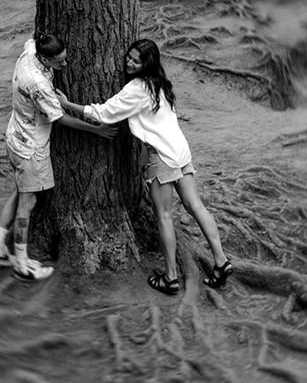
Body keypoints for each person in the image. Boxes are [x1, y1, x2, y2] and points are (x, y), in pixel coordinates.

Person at [55, 38, 233, 295]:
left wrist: (68, 105)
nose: (129, 61)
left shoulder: (137, 89)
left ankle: (171, 278)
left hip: (161, 156)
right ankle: (221, 261)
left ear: (145, 64)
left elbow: (104, 113)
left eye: (135, 60)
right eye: (129, 56)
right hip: (181, 152)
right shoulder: (161, 84)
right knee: (196, 206)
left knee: (163, 216)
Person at [0, 32, 118, 280]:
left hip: (15, 136)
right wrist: (97, 130)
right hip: (31, 149)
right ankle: (22, 265)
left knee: (19, 194)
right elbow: (61, 119)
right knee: (28, 204)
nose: (65, 65)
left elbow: (32, 39)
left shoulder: (30, 51)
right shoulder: (38, 85)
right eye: (59, 62)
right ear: (45, 60)